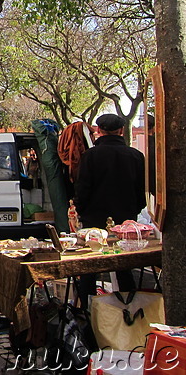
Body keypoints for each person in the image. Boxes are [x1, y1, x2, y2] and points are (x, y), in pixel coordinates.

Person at [75, 113, 146, 302]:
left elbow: (82, 190)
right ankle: (129, 309)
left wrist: (82, 212)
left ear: (99, 131)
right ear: (121, 131)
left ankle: (87, 312)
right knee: (124, 267)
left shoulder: (90, 156)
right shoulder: (136, 156)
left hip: (94, 221)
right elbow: (142, 192)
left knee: (89, 268)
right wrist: (133, 212)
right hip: (126, 222)